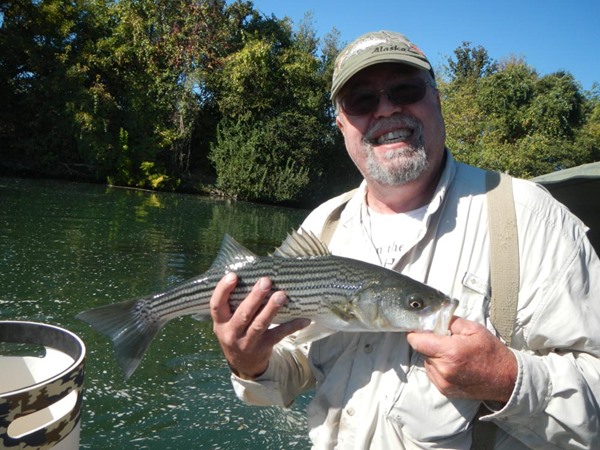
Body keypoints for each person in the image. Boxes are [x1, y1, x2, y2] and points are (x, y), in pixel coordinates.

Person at [209, 30, 600, 449]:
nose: (387, 109)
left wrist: (508, 379)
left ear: (436, 98)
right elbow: (292, 366)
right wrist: (250, 363)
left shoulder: (529, 217)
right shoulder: (324, 223)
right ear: (341, 124)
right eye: (361, 100)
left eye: (405, 89)